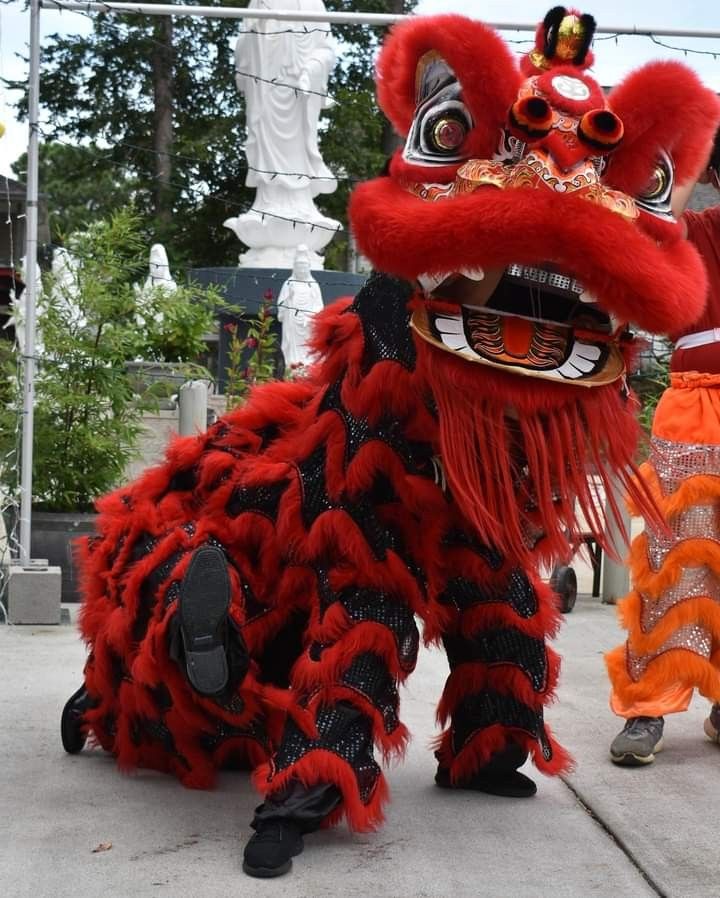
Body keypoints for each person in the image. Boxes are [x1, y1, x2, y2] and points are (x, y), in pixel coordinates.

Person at [606, 130, 720, 765]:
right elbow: (646, 217)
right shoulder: (692, 228)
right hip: (697, 412)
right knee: (677, 563)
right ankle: (646, 710)